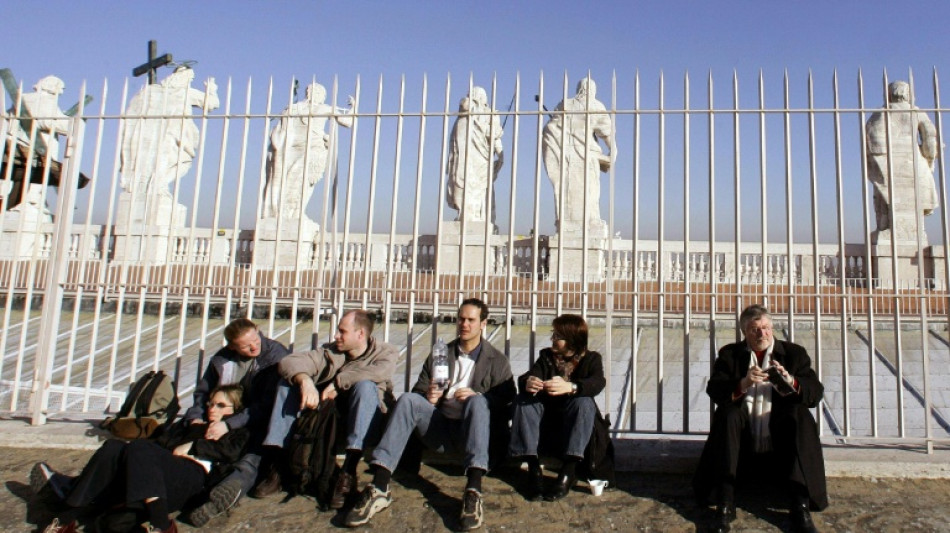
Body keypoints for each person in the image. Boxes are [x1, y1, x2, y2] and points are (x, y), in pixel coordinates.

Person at [344, 298, 515, 531]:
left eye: (470, 320)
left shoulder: (497, 360)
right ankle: (380, 485)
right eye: (461, 319)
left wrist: (479, 396)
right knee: (408, 400)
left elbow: (507, 401)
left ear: (483, 324)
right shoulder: (441, 353)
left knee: (477, 402)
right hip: (441, 430)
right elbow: (417, 392)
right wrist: (430, 397)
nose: (464, 324)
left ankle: (473, 489)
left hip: (473, 434)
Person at [32, 385, 248, 533]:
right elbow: (160, 443)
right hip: (153, 477)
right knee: (113, 447)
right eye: (211, 403)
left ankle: (65, 504)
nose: (212, 408)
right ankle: (65, 519)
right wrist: (187, 433)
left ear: (235, 409)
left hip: (190, 477)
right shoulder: (189, 424)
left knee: (139, 447)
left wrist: (193, 445)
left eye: (221, 405)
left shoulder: (236, 431)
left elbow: (231, 453)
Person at [693, 305, 827, 533]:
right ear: (745, 332)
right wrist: (742, 384)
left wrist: (792, 382)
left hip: (779, 442)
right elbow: (714, 390)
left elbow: (816, 393)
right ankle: (725, 503)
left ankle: (799, 505)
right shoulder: (730, 354)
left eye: (765, 328)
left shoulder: (794, 354)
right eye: (754, 329)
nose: (761, 334)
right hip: (742, 443)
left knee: (800, 414)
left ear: (772, 328)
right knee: (729, 414)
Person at [262, 308, 398, 508]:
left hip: (369, 425)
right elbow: (288, 362)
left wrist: (339, 382)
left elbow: (380, 371)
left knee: (365, 386)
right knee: (287, 383)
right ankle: (276, 463)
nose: (336, 335)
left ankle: (348, 472)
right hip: (332, 422)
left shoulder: (385, 352)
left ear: (360, 334)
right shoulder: (332, 352)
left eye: (342, 331)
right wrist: (305, 381)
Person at [183, 318, 290, 527]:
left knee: (252, 454)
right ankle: (204, 487)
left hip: (258, 420)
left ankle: (231, 488)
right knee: (201, 444)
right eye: (246, 345)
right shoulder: (222, 360)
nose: (254, 346)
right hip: (225, 416)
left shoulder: (275, 356)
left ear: (258, 331)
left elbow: (268, 404)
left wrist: (229, 425)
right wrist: (195, 417)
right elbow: (204, 391)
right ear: (232, 346)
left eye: (256, 339)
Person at [508, 314, 610, 501]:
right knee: (524, 400)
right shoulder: (547, 357)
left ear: (572, 339)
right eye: (553, 334)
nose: (553, 339)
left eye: (558, 336)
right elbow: (528, 376)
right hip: (549, 425)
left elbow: (597, 382)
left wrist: (572, 387)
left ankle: (568, 471)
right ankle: (533, 467)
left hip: (572, 425)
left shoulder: (592, 359)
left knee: (584, 402)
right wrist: (529, 381)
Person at [262, 81, 354, 223]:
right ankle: (296, 213)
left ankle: (279, 213)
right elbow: (348, 122)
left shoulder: (291, 108)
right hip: (313, 148)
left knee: (283, 181)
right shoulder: (324, 108)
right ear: (319, 95)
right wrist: (353, 108)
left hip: (288, 149)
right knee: (306, 183)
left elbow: (279, 131)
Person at [865, 80, 939, 245]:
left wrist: (878, 158)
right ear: (908, 94)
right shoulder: (915, 112)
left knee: (885, 196)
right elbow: (930, 138)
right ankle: (911, 233)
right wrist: (929, 158)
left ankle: (887, 228)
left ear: (889, 94)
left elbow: (871, 137)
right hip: (912, 160)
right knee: (911, 197)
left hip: (889, 160)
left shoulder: (882, 113)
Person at [541, 77, 615, 239]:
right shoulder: (596, 106)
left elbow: (551, 128)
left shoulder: (565, 104)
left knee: (567, 190)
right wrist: (612, 151)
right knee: (590, 190)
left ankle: (569, 223)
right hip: (587, 156)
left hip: (566, 155)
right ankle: (590, 220)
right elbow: (607, 134)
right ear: (593, 90)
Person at [446, 86, 504, 228]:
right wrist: (501, 154)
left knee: (479, 186)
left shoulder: (490, 115)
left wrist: (500, 154)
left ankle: (477, 215)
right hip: (467, 155)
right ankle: (466, 214)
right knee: (463, 180)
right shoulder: (465, 116)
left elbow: (495, 136)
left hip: (482, 157)